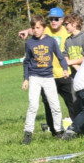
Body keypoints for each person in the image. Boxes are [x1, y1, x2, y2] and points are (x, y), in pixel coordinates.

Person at [18, 7, 75, 135]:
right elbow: (27, 61)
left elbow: (61, 55)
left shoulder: (60, 35)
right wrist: (26, 79)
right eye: (51, 19)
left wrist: (66, 68)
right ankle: (40, 131)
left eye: (56, 19)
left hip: (57, 76)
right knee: (40, 105)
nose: (53, 21)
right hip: (40, 76)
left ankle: (68, 129)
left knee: (65, 104)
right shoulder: (36, 37)